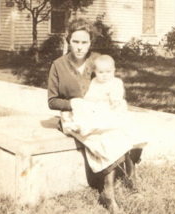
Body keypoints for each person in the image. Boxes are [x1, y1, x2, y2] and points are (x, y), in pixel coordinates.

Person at [48, 18, 146, 214]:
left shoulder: (98, 60)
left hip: (101, 114)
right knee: (103, 137)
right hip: (75, 117)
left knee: (126, 131)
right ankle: (108, 193)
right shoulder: (58, 65)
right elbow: (52, 101)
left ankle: (130, 183)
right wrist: (73, 103)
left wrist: (115, 101)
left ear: (90, 42)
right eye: (75, 41)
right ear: (68, 41)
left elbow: (113, 86)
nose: (79, 47)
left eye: (84, 42)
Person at [62, 54, 128, 136]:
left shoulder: (115, 82)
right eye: (100, 72)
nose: (104, 75)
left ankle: (87, 127)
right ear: (95, 72)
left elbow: (117, 95)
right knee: (75, 102)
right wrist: (90, 100)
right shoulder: (94, 81)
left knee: (103, 115)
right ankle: (78, 124)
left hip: (108, 106)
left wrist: (115, 102)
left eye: (108, 72)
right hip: (95, 105)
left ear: (114, 70)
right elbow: (90, 94)